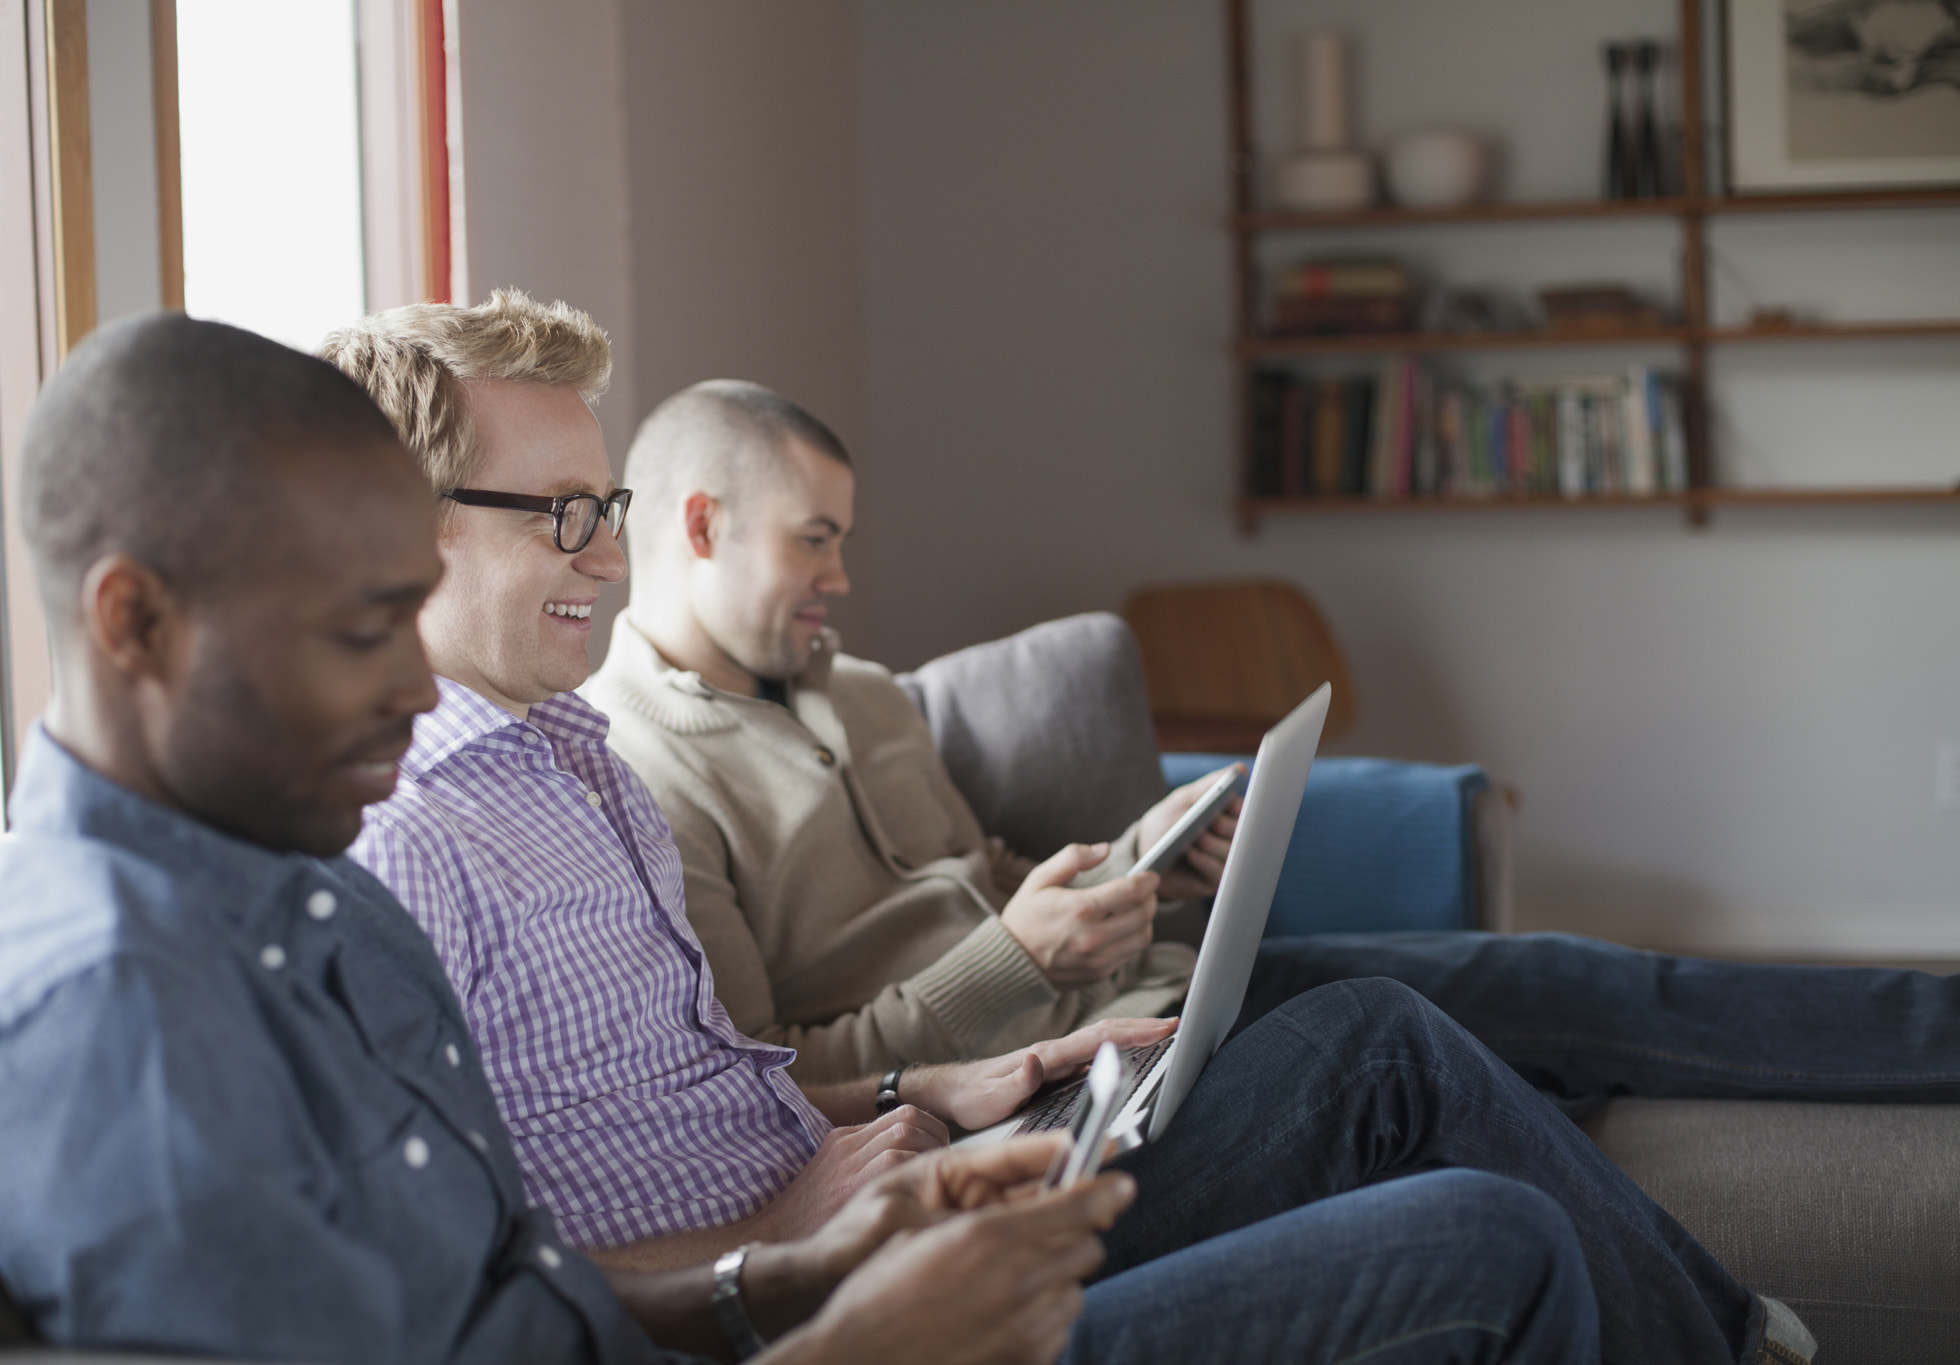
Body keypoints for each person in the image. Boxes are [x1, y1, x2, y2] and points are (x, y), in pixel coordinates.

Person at [330, 294, 1809, 1365]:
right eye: (561, 517)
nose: (606, 552)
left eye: (610, 508)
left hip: (890, 1176)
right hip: (817, 1301)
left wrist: (947, 1083)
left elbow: (726, 1073)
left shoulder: (572, 762)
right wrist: (785, 1252)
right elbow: (466, 1282)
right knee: (1487, 1219)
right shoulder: (399, 847)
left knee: (1391, 1028)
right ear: (403, 525)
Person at [593, 377, 1960, 1122]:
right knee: (1493, 1030)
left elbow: (990, 870)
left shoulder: (868, 690)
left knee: (1563, 975)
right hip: (1062, 1086)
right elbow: (775, 1074)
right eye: (816, 537)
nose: (842, 572)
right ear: (704, 525)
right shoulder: (640, 778)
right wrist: (1020, 958)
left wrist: (1151, 866)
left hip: (1166, 983)